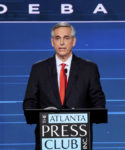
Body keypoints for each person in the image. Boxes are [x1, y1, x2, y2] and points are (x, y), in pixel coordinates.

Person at [23, 22, 105, 150]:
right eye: (57, 38)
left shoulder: (89, 68)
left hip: (78, 137)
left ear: (73, 41)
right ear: (52, 42)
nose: (62, 43)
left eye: (66, 38)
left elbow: (98, 101)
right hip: (47, 138)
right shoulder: (38, 69)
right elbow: (29, 102)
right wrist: (43, 116)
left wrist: (83, 116)